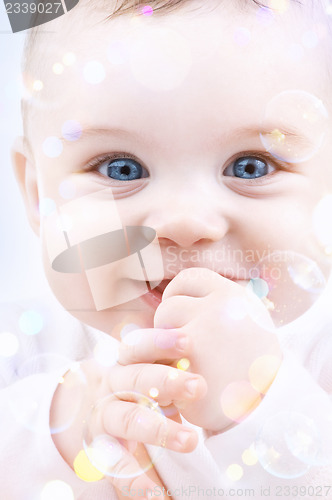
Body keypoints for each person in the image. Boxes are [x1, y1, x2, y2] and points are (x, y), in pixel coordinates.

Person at [4, 0, 332, 497]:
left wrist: (265, 407)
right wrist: (58, 437)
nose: (185, 223)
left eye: (251, 166)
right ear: (37, 197)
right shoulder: (23, 353)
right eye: (121, 169)